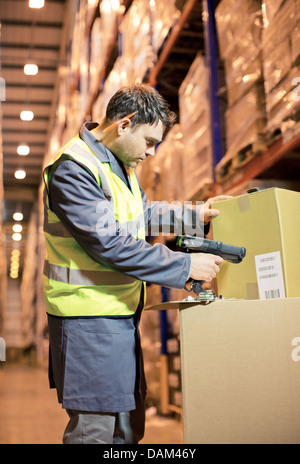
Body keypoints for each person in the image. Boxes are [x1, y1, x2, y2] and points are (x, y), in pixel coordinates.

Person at [43, 83, 229, 444]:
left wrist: (194, 215)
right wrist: (184, 267)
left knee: (127, 428)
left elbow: (142, 213)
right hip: (86, 322)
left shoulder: (118, 164)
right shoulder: (74, 169)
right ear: (124, 125)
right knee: (97, 432)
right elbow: (109, 243)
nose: (152, 152)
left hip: (116, 317)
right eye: (148, 141)